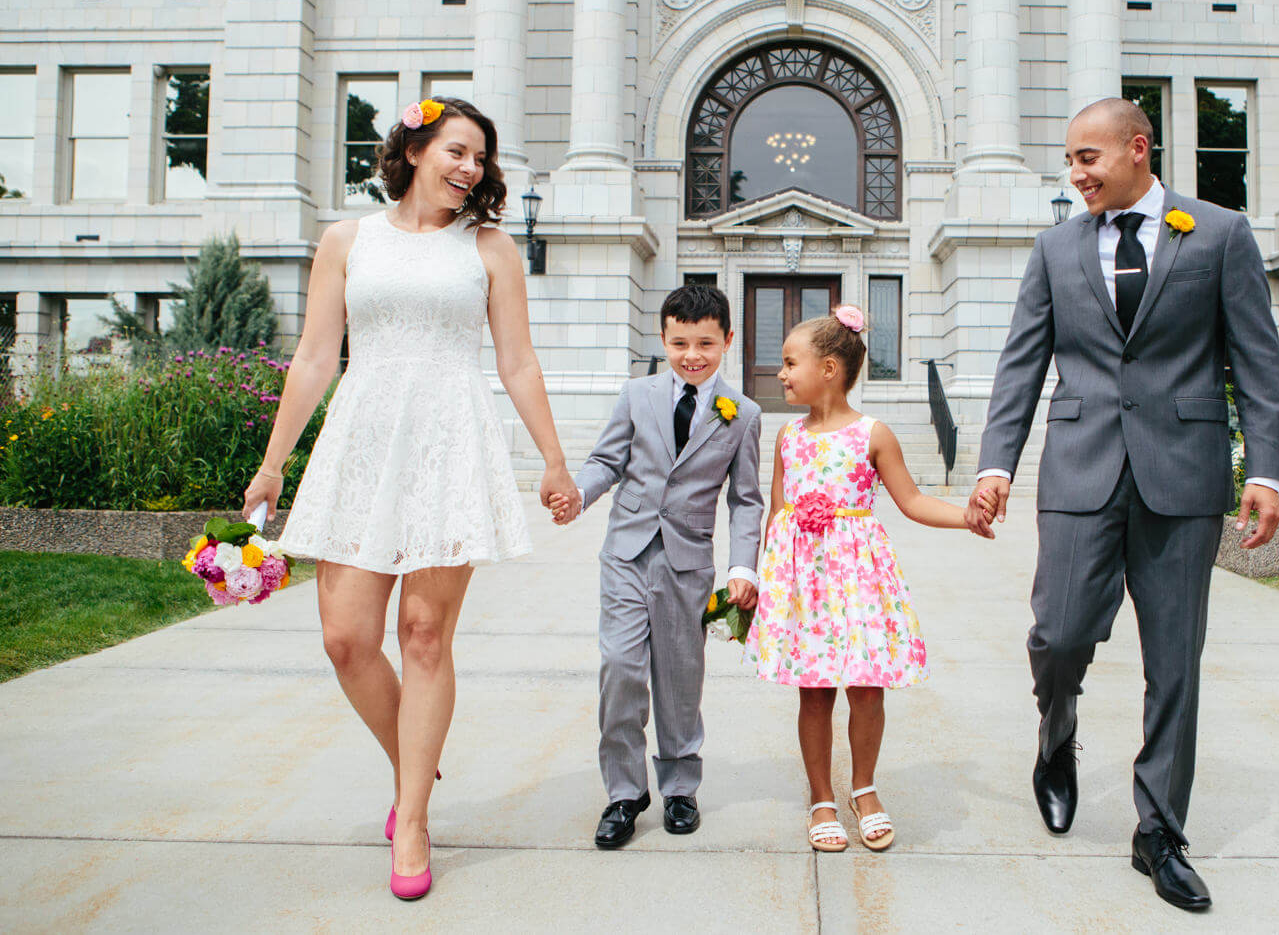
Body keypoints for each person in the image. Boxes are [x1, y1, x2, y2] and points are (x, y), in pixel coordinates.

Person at [243, 97, 577, 900]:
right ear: (417, 147)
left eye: (479, 159)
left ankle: (414, 815)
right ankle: (414, 766)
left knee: (424, 635)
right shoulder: (347, 240)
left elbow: (519, 362)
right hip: (361, 439)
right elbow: (317, 357)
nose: (469, 169)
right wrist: (272, 464)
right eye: (457, 151)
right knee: (346, 639)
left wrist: (555, 461)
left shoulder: (491, 250)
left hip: (449, 440)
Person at [965, 98, 1279, 911]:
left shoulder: (1218, 234)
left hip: (1184, 476)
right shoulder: (1054, 249)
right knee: (1060, 631)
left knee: (1174, 659)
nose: (1075, 174)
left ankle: (1159, 832)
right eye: (1070, 161)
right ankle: (1057, 738)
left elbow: (1256, 358)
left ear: (1137, 149)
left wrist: (1266, 470)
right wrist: (996, 462)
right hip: (1079, 472)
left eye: (1086, 158)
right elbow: (1021, 365)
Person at [745, 306, 992, 853]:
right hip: (803, 585)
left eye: (790, 362)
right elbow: (777, 511)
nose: (781, 372)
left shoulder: (872, 434)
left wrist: (966, 516)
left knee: (866, 690)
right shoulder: (788, 436)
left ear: (829, 368)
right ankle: (820, 797)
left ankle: (864, 788)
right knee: (813, 695)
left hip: (858, 580)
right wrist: (766, 584)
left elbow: (913, 501)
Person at [547, 285, 764, 849]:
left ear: (727, 342)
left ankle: (680, 786)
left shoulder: (742, 415)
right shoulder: (637, 394)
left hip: (688, 563)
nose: (692, 355)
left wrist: (744, 566)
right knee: (620, 665)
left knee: (679, 680)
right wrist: (579, 495)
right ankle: (624, 791)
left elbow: (746, 500)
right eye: (679, 342)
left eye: (705, 344)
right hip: (626, 551)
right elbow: (605, 461)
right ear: (663, 338)